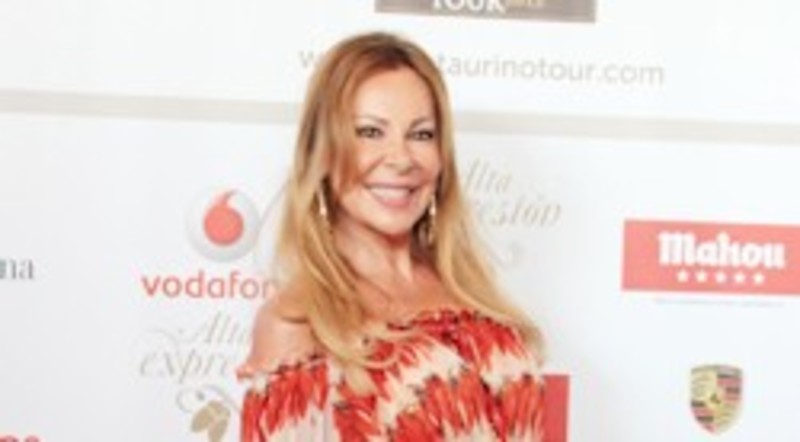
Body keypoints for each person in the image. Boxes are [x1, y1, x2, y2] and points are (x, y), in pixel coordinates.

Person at [237, 31, 545, 441]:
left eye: (421, 134)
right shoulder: (299, 322)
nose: (401, 159)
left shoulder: (471, 292)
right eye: (370, 132)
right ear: (323, 152)